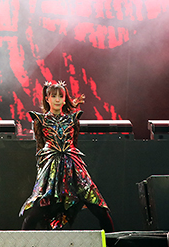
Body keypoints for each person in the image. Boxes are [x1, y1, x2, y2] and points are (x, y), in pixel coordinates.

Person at [20, 80, 113, 232]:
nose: (57, 99)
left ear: (64, 100)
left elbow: (74, 145)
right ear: (47, 98)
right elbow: (39, 150)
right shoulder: (40, 120)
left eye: (60, 96)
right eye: (54, 96)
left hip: (74, 169)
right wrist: (41, 176)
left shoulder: (73, 119)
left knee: (100, 210)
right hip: (51, 171)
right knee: (35, 215)